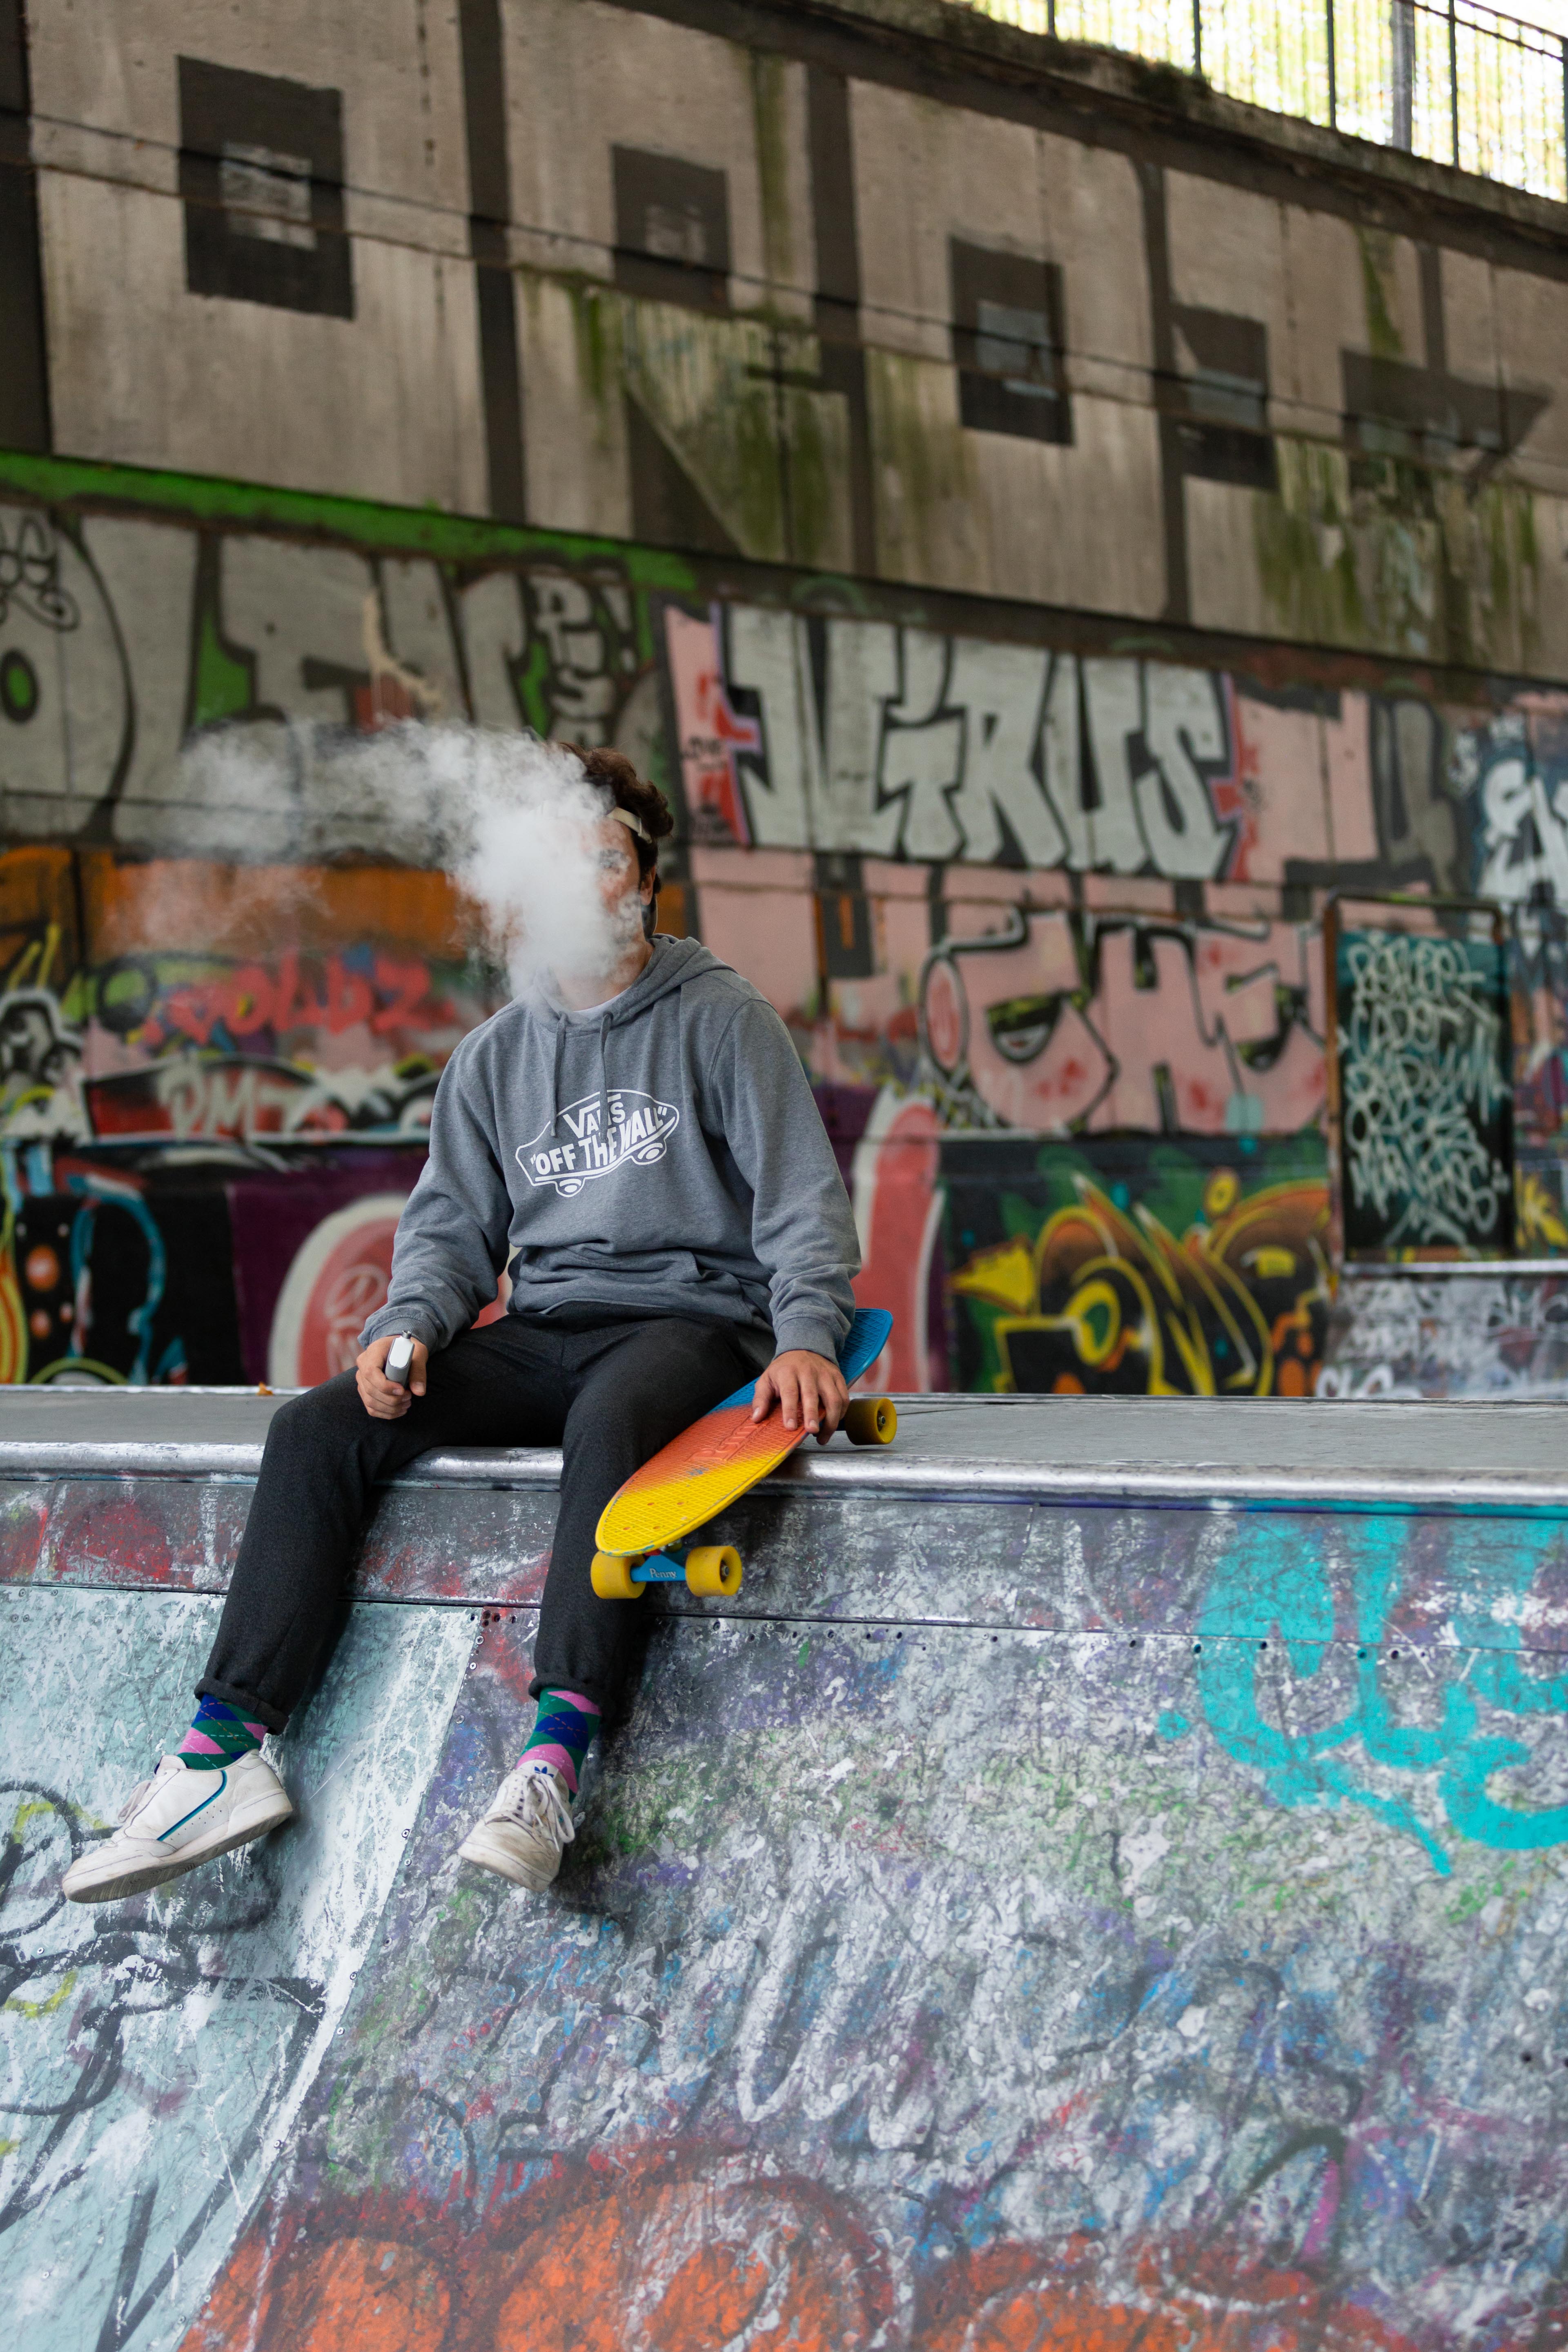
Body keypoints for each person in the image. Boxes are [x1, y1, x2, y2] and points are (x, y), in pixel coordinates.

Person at [63, 745, 861, 1904]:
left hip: (693, 1320)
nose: (589, 883)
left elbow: (800, 1200)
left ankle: (552, 1763)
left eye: (612, 859)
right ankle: (222, 1754)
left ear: (646, 881)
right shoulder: (494, 1058)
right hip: (547, 1322)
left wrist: (807, 1335)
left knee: (612, 1420)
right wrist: (408, 1331)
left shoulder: (722, 1021)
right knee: (316, 1431)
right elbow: (448, 1234)